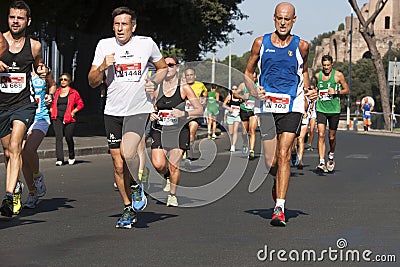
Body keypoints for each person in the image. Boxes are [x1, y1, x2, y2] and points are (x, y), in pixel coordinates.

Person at [88, 6, 167, 229]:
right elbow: (92, 81)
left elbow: (162, 68)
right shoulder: (104, 45)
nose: (120, 28)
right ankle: (127, 207)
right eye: (116, 24)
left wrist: (155, 81)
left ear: (133, 26)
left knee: (128, 152)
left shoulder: (146, 43)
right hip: (112, 111)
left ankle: (137, 185)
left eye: (124, 24)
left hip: (138, 109)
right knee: (118, 165)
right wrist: (103, 66)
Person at [244, 2, 316, 226]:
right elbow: (248, 72)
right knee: (270, 162)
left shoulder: (302, 45)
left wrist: (308, 91)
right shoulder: (260, 43)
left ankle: (279, 208)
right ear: (274, 18)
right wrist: (254, 90)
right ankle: (278, 183)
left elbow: (303, 72)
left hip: (292, 104)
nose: (283, 23)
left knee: (284, 154)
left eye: (287, 19)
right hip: (267, 105)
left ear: (294, 20)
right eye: (279, 18)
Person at [0, 0, 50, 217]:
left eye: (20, 18)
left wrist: (42, 70)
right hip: (2, 105)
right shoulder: (0, 41)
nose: (15, 22)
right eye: (12, 17)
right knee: (8, 153)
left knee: (15, 145)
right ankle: (17, 187)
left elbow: (40, 64)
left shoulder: (35, 45)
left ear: (27, 21)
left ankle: (9, 196)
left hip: (24, 104)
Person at [150, 56, 202, 206]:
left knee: (174, 164)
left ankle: (172, 195)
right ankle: (166, 175)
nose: (168, 68)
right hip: (160, 129)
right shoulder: (157, 87)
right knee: (158, 164)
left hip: (178, 131)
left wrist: (183, 114)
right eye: (164, 65)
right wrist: (150, 113)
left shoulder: (184, 87)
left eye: (171, 65)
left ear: (177, 68)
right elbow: (149, 105)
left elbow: (199, 109)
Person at [21, 70, 56, 209]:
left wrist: (50, 95)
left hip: (40, 117)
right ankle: (32, 193)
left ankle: (37, 177)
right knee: (23, 158)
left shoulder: (43, 70)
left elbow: (52, 85)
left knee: (29, 149)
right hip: (23, 118)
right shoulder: (19, 71)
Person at [315, 55, 350, 173]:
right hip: (321, 108)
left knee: (331, 137)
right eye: (324, 65)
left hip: (334, 110)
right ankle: (321, 162)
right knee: (320, 134)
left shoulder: (338, 75)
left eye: (328, 65)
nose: (326, 68)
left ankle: (331, 154)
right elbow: (317, 90)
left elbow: (347, 90)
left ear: (332, 64)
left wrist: (336, 92)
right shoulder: (317, 76)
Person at [50, 73, 84, 166]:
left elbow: (81, 104)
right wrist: (51, 109)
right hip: (57, 117)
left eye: (65, 79)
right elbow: (54, 103)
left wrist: (73, 112)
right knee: (58, 137)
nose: (63, 81)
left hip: (69, 117)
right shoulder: (57, 91)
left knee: (68, 137)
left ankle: (71, 155)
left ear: (69, 81)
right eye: (61, 79)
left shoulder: (74, 92)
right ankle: (60, 159)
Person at [184, 68, 207, 160]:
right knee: (183, 134)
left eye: (191, 75)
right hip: (184, 113)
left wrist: (204, 99)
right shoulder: (182, 86)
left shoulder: (200, 85)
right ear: (185, 77)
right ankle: (184, 148)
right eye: (187, 75)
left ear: (195, 76)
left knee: (191, 134)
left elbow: (205, 92)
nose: (189, 77)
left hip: (195, 114)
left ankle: (189, 153)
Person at [234, 72, 258, 160]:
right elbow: (234, 94)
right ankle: (245, 143)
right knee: (244, 132)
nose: (253, 79)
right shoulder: (243, 85)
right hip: (244, 109)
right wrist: (243, 96)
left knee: (252, 130)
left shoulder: (258, 85)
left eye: (255, 78)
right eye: (252, 77)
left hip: (254, 111)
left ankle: (251, 151)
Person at [222, 85, 242, 152]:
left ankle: (233, 145)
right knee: (231, 132)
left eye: (236, 89)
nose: (234, 90)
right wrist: (228, 108)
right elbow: (223, 105)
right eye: (233, 89)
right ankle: (231, 143)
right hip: (230, 116)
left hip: (237, 116)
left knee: (235, 130)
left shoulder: (240, 98)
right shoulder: (229, 97)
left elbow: (243, 105)